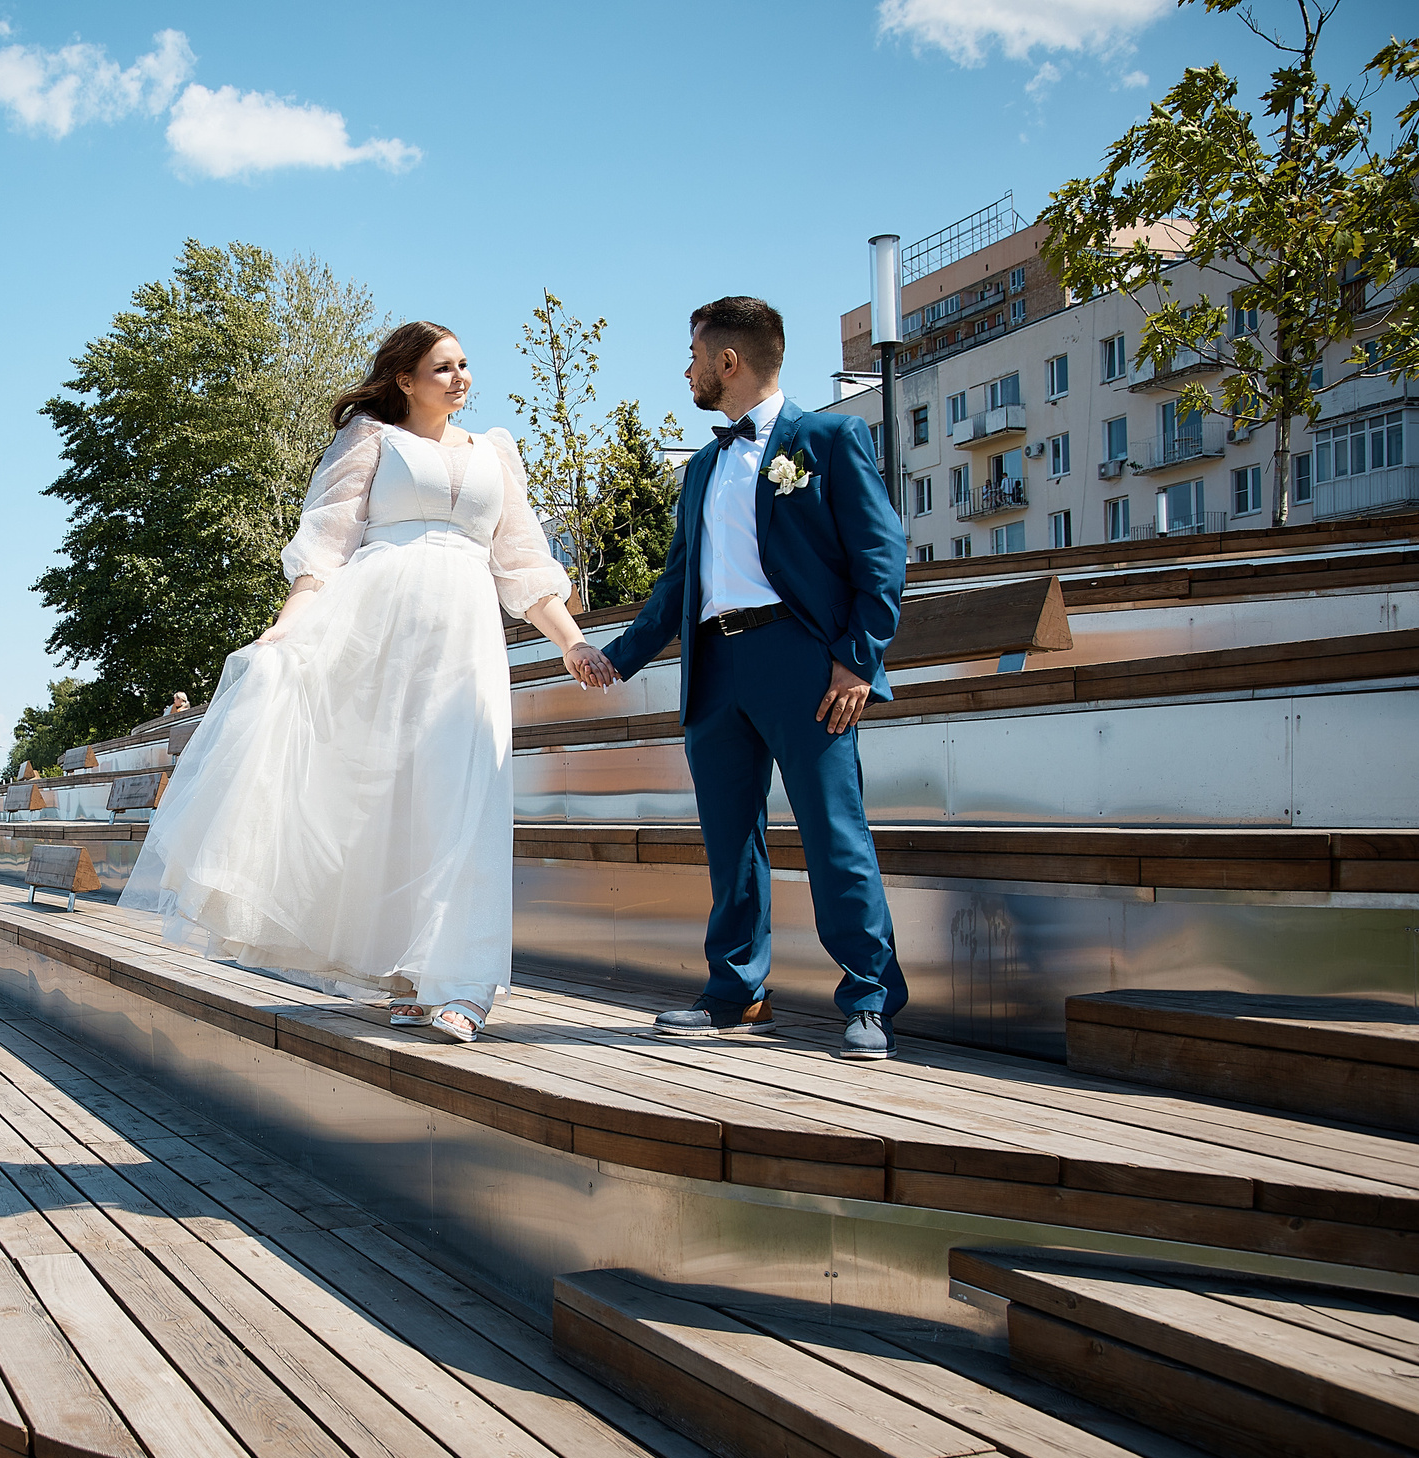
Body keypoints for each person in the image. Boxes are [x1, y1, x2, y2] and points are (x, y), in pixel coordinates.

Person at [122, 322, 608, 1043]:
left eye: (465, 364)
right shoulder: (371, 440)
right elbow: (325, 546)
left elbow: (523, 564)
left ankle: (464, 983)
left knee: (466, 791)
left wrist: (571, 641)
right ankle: (408, 973)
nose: (460, 378)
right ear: (405, 379)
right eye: (443, 367)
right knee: (394, 802)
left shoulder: (494, 453)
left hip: (465, 637)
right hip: (379, 635)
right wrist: (287, 625)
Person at [584, 297, 909, 1059]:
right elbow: (674, 588)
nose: (687, 368)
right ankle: (735, 991)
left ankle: (868, 998)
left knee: (835, 834)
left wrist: (856, 659)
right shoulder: (700, 466)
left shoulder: (828, 437)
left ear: (729, 361)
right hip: (716, 669)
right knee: (731, 842)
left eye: (694, 353)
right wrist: (618, 657)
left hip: (802, 664)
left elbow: (882, 557)